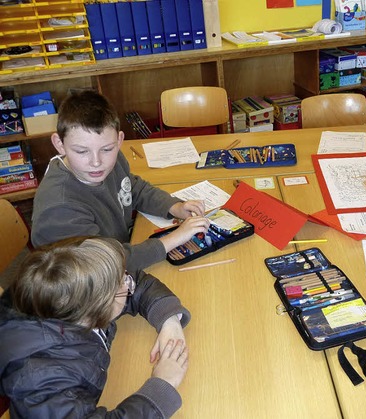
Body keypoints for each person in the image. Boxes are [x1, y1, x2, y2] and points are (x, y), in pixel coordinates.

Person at [0, 236, 190, 417]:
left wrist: (169, 321)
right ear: (98, 308)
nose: (129, 281)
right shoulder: (43, 382)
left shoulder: (71, 299)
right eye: (123, 283)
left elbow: (139, 284)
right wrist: (162, 386)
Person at [31, 90, 211, 273]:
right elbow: (103, 265)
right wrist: (174, 239)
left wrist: (173, 207)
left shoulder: (111, 160)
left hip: (117, 253)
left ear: (119, 141)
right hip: (83, 288)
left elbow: (131, 187)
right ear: (59, 144)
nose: (96, 162)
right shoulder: (58, 208)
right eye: (81, 151)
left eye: (107, 149)